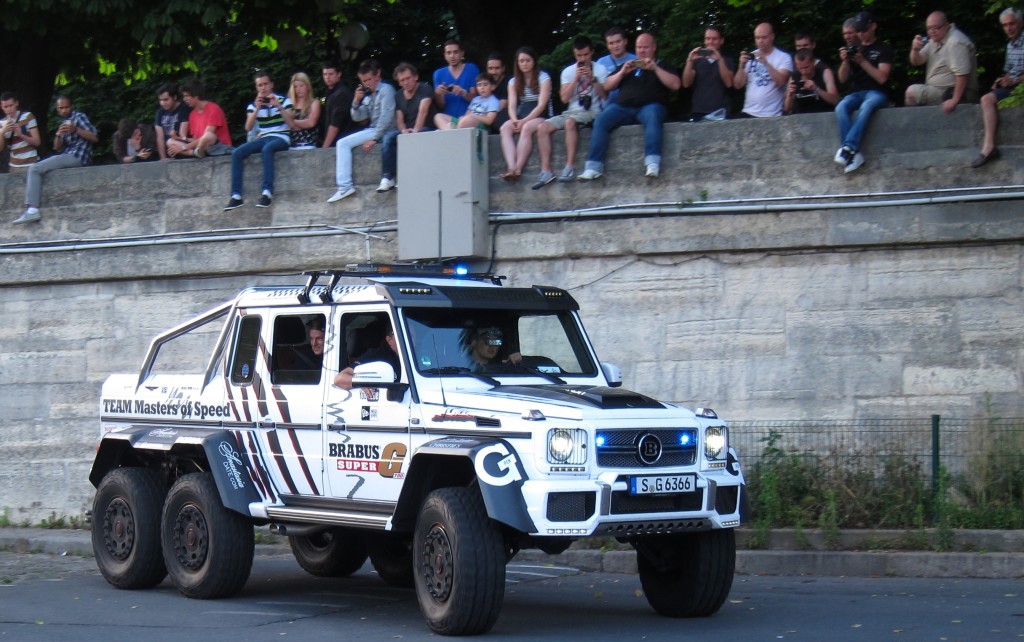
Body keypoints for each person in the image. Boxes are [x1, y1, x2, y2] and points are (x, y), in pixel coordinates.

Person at [579, 32, 680, 181]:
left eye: (645, 47)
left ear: (653, 48)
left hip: (650, 106)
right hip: (623, 108)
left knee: (653, 116)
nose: (642, 51)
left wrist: (655, 69)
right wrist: (622, 72)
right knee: (601, 120)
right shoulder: (627, 66)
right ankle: (593, 167)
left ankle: (652, 163)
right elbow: (607, 86)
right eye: (639, 47)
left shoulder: (662, 65)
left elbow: (676, 85)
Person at [531, 35, 609, 187]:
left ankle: (570, 166)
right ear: (574, 54)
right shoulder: (568, 71)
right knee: (542, 128)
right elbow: (564, 99)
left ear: (592, 52)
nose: (583, 58)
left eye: (586, 55)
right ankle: (546, 170)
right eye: (579, 55)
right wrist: (576, 79)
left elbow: (605, 95)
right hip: (571, 111)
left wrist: (593, 79)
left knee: (569, 123)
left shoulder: (601, 69)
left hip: (592, 111)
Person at [13, 95, 97, 224]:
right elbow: (57, 148)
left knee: (34, 168)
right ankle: (31, 210)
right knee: (40, 167)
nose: (64, 110)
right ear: (57, 109)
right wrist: (58, 135)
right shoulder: (63, 123)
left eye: (66, 107)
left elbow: (94, 137)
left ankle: (32, 210)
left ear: (72, 106)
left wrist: (76, 129)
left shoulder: (79, 117)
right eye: (61, 108)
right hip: (68, 155)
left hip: (78, 156)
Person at [327, 59, 397, 203]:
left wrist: (375, 138)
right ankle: (345, 186)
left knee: (342, 143)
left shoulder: (386, 90)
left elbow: (387, 117)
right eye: (363, 81)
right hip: (374, 129)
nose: (367, 83)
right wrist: (356, 101)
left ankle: (345, 186)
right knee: (343, 143)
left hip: (383, 130)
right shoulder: (369, 95)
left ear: (378, 75)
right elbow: (358, 117)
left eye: (369, 79)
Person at [224, 71, 294, 211]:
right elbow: (248, 127)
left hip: (281, 137)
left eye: (266, 84)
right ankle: (236, 196)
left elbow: (291, 124)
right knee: (237, 153)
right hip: (264, 137)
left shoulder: (285, 101)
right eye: (260, 85)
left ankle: (267, 193)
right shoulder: (253, 106)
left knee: (267, 149)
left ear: (271, 84)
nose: (263, 88)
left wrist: (278, 106)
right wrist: (257, 109)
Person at [834, 12, 893, 174]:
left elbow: (882, 78)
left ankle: (848, 148)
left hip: (877, 93)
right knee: (841, 106)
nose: (861, 34)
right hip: (857, 92)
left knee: (866, 106)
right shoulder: (854, 49)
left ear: (873, 27)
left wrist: (862, 61)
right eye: (858, 31)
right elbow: (842, 79)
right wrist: (845, 61)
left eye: (863, 30)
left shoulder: (883, 49)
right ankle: (853, 154)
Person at [971, 8, 1024, 168]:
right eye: (1005, 25)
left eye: (1012, 24)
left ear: (1020, 23)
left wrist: (1014, 80)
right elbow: (1010, 71)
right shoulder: (1010, 45)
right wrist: (1002, 80)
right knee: (986, 99)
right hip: (1015, 85)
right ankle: (989, 147)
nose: (1009, 28)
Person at [378, 62, 435, 192]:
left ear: (415, 77)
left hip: (426, 128)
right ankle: (387, 177)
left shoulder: (425, 89)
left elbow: (423, 111)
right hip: (407, 130)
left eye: (408, 78)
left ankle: (407, 178)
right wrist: (403, 130)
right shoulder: (398, 95)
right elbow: (399, 118)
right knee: (388, 138)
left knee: (414, 140)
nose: (405, 82)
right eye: (402, 80)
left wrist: (415, 130)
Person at [498, 47, 553, 181]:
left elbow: (541, 105)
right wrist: (515, 119)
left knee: (527, 128)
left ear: (534, 61)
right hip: (522, 113)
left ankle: (518, 168)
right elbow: (511, 104)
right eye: (521, 61)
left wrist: (524, 121)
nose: (524, 64)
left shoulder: (544, 78)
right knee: (504, 128)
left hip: (541, 114)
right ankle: (511, 167)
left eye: (527, 60)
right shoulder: (513, 81)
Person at [906, 11, 979, 111]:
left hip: (956, 92)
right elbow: (917, 61)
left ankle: (913, 125)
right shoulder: (935, 40)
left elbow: (962, 74)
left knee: (911, 92)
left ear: (946, 25)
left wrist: (954, 99)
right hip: (939, 89)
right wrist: (915, 49)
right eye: (929, 28)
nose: (932, 31)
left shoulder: (955, 42)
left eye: (936, 27)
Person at [734, 22, 793, 118]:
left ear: (772, 37)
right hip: (748, 112)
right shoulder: (751, 56)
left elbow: (782, 82)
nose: (760, 41)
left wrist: (766, 63)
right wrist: (741, 67)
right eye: (757, 38)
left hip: (771, 114)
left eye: (764, 37)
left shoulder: (783, 57)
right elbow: (738, 85)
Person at [166, 80, 232, 158]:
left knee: (208, 135)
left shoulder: (214, 109)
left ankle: (193, 152)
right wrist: (179, 138)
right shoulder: (192, 114)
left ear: (196, 96)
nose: (184, 99)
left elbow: (206, 138)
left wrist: (183, 147)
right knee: (170, 142)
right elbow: (196, 140)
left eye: (186, 96)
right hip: (201, 147)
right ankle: (194, 153)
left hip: (219, 147)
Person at [682, 25, 735, 121]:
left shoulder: (727, 61)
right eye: (708, 39)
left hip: (721, 111)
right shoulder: (697, 60)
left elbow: (729, 83)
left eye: (714, 39)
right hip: (699, 111)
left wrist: (719, 60)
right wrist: (689, 61)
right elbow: (686, 83)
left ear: (721, 40)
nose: (710, 42)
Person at [334, 322, 401, 389]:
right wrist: (362, 383)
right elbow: (340, 379)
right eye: (400, 334)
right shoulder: (377, 356)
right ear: (389, 340)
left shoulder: (411, 355)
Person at [435, 72, 501, 130]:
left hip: (479, 126)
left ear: (492, 86)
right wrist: (464, 117)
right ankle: (450, 131)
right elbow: (467, 113)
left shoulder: (493, 101)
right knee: (438, 116)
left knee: (466, 120)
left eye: (485, 85)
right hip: (465, 122)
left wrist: (472, 116)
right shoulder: (476, 99)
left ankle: (453, 131)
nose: (482, 88)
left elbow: (489, 120)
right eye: (479, 85)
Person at [433, 39, 480, 119]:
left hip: (469, 118)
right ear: (445, 55)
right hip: (449, 120)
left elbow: (476, 99)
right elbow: (441, 106)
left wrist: (462, 92)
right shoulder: (438, 74)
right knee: (437, 117)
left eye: (455, 52)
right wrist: (439, 94)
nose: (452, 56)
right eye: (449, 53)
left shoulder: (471, 68)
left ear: (462, 53)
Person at [784, 48, 839, 114]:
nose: (804, 71)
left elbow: (835, 100)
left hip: (823, 116)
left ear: (813, 62)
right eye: (800, 68)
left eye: (807, 67)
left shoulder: (824, 72)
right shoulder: (794, 77)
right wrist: (790, 95)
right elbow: (787, 108)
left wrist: (816, 89)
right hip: (801, 118)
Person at [0, 92, 41, 172]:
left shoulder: (28, 117)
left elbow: (37, 142)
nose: (9, 109)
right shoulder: (2, 123)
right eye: (6, 107)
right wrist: (2, 132)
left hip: (31, 164)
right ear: (1, 107)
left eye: (11, 105)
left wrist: (21, 135)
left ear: (16, 103)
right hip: (14, 165)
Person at [596, 27, 637, 104]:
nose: (615, 46)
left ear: (625, 41)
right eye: (611, 43)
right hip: (606, 107)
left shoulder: (636, 60)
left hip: (631, 104)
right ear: (607, 45)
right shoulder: (600, 63)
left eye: (618, 41)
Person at [320, 61, 356, 148]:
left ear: (339, 74)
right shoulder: (328, 94)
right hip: (336, 142)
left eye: (331, 74)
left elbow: (335, 125)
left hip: (341, 142)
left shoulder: (341, 94)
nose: (327, 77)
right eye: (325, 74)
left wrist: (325, 147)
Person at [153, 83, 190, 160]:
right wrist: (163, 158)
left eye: (166, 99)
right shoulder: (160, 113)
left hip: (183, 150)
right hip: (169, 155)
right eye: (160, 100)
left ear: (174, 97)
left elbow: (183, 135)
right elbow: (160, 137)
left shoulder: (184, 108)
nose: (162, 103)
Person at [288, 72, 321, 150]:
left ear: (307, 86)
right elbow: (287, 126)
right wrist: (303, 124)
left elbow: (311, 123)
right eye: (296, 86)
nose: (298, 89)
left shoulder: (314, 103)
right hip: (291, 145)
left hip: (308, 144)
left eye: (301, 86)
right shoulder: (289, 103)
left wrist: (292, 121)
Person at [485, 53, 510, 132]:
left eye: (497, 68)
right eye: (491, 68)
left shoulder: (508, 82)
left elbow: (501, 106)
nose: (493, 72)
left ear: (503, 68)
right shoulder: (485, 84)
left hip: (503, 119)